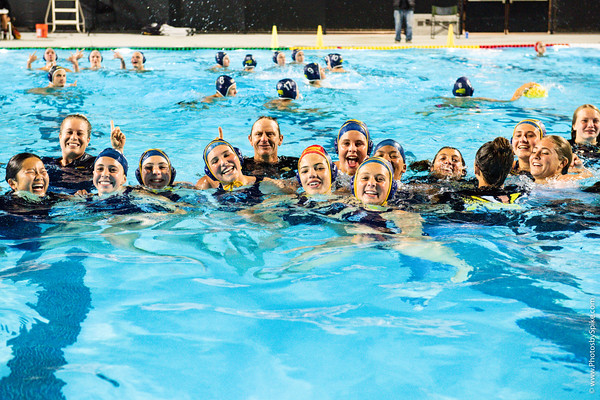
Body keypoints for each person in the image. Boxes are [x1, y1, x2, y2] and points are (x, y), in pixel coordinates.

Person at [42, 114, 126, 194]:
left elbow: (115, 175)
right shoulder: (46, 163)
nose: (74, 137)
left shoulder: (95, 164)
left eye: (79, 133)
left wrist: (117, 150)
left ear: (87, 140)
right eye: (69, 132)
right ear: (60, 137)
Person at [451, 77, 545, 102]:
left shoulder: (445, 102)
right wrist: (524, 87)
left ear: (453, 91)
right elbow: (510, 101)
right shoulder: (479, 100)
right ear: (471, 91)